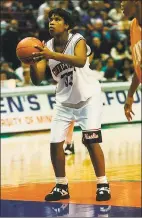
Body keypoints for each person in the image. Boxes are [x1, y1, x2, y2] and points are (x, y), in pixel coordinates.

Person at [30, 8, 111, 201]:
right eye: (50, 19)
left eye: (57, 19)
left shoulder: (77, 40)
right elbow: (37, 80)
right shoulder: (46, 47)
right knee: (55, 143)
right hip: (64, 102)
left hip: (89, 99)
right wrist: (32, 62)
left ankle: (102, 184)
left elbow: (81, 61)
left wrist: (51, 55)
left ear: (66, 25)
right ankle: (61, 185)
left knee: (91, 141)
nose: (51, 22)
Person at [121, 0, 142, 122]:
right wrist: (130, 95)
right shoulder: (133, 25)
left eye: (124, 0)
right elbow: (138, 68)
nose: (121, 4)